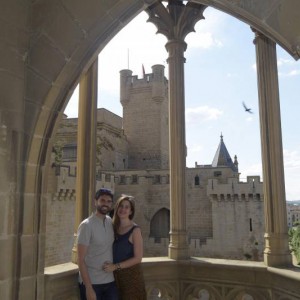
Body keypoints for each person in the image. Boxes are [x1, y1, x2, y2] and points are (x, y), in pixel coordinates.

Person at [77, 188, 119, 300]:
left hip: (110, 281)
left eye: (109, 201)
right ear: (96, 202)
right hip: (93, 283)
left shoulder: (110, 221)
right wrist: (89, 288)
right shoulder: (86, 225)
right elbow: (80, 260)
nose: (105, 204)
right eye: (102, 200)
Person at [103, 195, 147, 300]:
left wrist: (115, 266)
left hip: (131, 277)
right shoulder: (112, 227)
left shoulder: (135, 230)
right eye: (121, 206)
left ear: (131, 211)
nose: (123, 209)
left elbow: (138, 258)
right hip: (114, 277)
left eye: (127, 207)